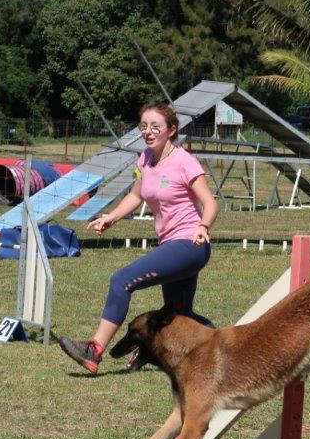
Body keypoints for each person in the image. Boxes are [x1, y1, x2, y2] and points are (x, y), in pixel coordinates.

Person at [58, 102, 218, 374]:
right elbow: (136, 195)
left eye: (156, 126)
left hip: (190, 244)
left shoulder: (185, 161)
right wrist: (111, 217)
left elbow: (210, 203)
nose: (148, 131)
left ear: (171, 130)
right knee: (178, 316)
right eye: (143, 126)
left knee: (121, 281)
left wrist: (203, 226)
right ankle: (225, 344)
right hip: (171, 245)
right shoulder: (144, 159)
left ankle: (94, 349)